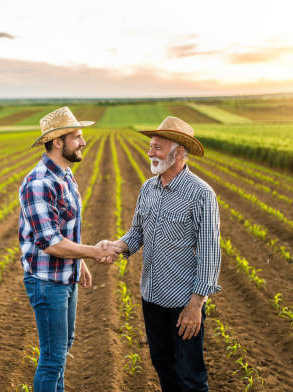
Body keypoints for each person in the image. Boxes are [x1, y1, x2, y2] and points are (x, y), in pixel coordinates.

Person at [99, 116, 221, 392]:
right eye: (150, 146)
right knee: (163, 365)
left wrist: (195, 305)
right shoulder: (148, 189)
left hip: (182, 304)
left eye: (157, 147)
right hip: (151, 298)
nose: (150, 152)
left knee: (190, 376)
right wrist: (116, 246)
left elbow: (210, 253)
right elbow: (137, 233)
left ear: (179, 153)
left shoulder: (201, 194)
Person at [19, 106, 118, 392]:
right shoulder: (38, 183)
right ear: (58, 142)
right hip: (47, 282)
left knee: (62, 350)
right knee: (52, 358)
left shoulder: (65, 175)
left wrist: (80, 263)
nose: (83, 142)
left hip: (66, 277)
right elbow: (50, 242)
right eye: (77, 136)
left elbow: (63, 229)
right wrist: (94, 251)